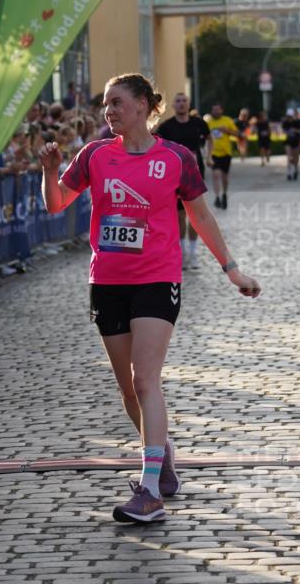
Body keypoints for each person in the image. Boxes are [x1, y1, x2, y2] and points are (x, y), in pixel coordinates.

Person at [40, 73, 260, 525]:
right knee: (128, 390)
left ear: (143, 105)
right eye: (106, 104)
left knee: (145, 381)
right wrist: (48, 172)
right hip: (108, 281)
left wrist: (230, 268)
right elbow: (57, 203)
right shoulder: (95, 154)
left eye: (117, 102)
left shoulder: (176, 157)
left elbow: (199, 215)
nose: (109, 111)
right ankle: (164, 461)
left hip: (158, 278)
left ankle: (148, 490)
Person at [155, 92, 212, 270]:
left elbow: (210, 139)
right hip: (174, 177)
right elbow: (157, 146)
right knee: (180, 216)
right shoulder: (166, 127)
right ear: (173, 105)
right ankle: (182, 252)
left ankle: (194, 253)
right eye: (177, 101)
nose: (181, 104)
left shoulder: (199, 123)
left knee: (195, 215)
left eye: (184, 101)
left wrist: (209, 156)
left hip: (195, 174)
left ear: (189, 104)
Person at [203, 103, 240, 209]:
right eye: (214, 109)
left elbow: (238, 134)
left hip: (226, 153)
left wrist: (227, 131)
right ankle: (217, 197)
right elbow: (203, 136)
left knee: (224, 177)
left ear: (221, 111)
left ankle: (224, 194)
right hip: (213, 153)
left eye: (217, 109)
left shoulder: (227, 121)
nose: (215, 111)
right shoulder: (208, 123)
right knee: (215, 175)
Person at [282, 110, 300, 180]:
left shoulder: (299, 122)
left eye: (291, 117)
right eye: (289, 117)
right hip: (288, 141)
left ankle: (295, 170)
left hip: (296, 141)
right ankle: (289, 172)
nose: (290, 118)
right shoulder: (285, 123)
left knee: (296, 158)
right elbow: (283, 131)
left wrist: (296, 130)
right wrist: (287, 132)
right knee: (289, 157)